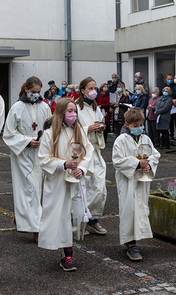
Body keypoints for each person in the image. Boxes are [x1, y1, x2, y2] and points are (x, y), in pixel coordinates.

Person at [38, 97, 94, 271]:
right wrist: (63, 164)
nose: (73, 114)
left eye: (75, 111)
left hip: (76, 180)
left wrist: (82, 169)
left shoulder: (80, 132)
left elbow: (88, 153)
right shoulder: (50, 134)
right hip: (58, 182)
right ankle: (67, 255)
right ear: (61, 113)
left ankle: (68, 248)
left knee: (76, 214)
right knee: (61, 217)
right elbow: (43, 158)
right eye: (69, 111)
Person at [3, 76, 51, 243]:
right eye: (33, 92)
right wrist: (27, 141)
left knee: (37, 190)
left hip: (40, 153)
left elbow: (50, 129)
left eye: (38, 92)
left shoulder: (45, 107)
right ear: (26, 90)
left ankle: (24, 217)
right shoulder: (17, 107)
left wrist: (43, 140)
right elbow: (8, 133)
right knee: (29, 189)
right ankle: (36, 229)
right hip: (22, 154)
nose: (36, 95)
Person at [112, 108, 160, 261]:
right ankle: (130, 243)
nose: (139, 127)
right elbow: (117, 161)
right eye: (136, 125)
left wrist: (149, 165)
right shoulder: (121, 140)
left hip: (141, 180)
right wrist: (138, 164)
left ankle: (136, 238)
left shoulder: (145, 139)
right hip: (128, 181)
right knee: (128, 209)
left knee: (139, 208)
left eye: (141, 124)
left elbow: (155, 154)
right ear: (127, 124)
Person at [76, 77, 107, 235]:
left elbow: (99, 124)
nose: (94, 91)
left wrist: (100, 129)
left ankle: (93, 219)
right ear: (82, 91)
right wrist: (87, 129)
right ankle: (81, 220)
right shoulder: (75, 108)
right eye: (90, 88)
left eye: (95, 88)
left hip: (95, 151)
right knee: (84, 187)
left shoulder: (96, 107)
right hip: (82, 152)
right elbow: (70, 131)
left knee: (99, 186)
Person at [161, 74, 176, 140]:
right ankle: (164, 135)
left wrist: (174, 100)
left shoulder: (175, 86)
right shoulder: (163, 86)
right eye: (168, 79)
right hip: (165, 105)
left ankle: (172, 134)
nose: (170, 80)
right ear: (166, 79)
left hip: (173, 106)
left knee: (172, 121)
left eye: (171, 79)